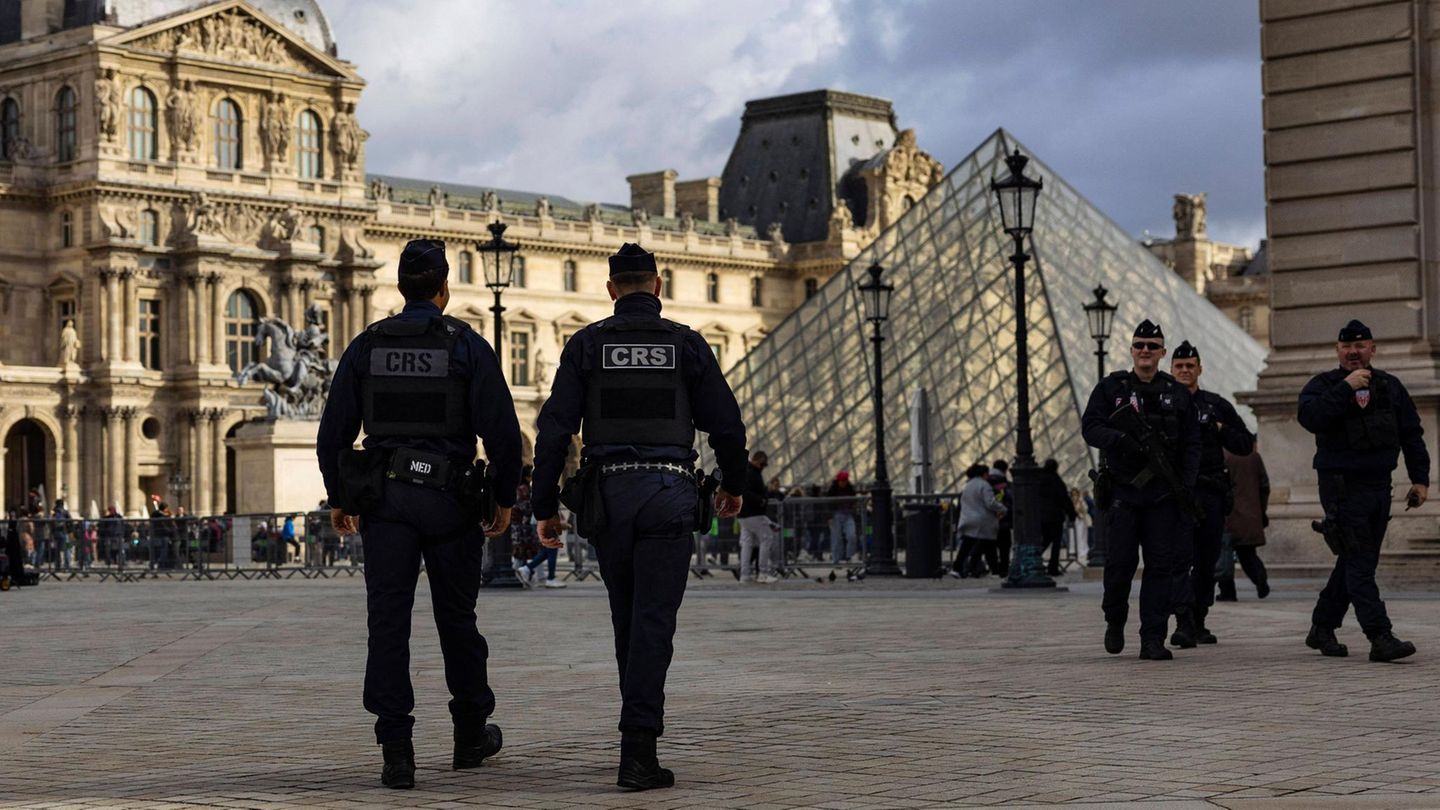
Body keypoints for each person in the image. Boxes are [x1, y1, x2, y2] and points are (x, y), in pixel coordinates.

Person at [532, 242, 746, 791]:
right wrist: (733, 484)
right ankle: (638, 749)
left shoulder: (586, 344)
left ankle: (636, 743)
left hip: (609, 495)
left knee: (626, 617)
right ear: (658, 285)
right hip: (671, 491)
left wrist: (543, 505)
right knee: (654, 621)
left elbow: (554, 429)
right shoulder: (686, 344)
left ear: (610, 290)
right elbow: (726, 423)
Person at [317, 238, 523, 788]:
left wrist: (340, 497)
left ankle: (396, 748)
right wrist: (504, 497)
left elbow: (332, 431)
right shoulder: (466, 344)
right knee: (457, 620)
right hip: (451, 500)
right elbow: (504, 433)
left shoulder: (366, 346)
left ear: (400, 288)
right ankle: (471, 732)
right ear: (444, 288)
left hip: (386, 500)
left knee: (388, 622)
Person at [1297, 319, 1424, 662]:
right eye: (1347, 347)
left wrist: (1420, 480)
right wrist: (1346, 388)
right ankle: (1380, 636)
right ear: (1338, 351)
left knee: (1356, 561)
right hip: (1341, 488)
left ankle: (1322, 626)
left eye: (1361, 346)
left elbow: (1411, 434)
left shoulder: (1390, 386)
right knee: (1359, 562)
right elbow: (1310, 418)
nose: (1354, 352)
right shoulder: (1322, 386)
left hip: (1380, 487)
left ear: (1373, 349)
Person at [1082, 319, 1200, 661]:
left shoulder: (1176, 393)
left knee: (1160, 567)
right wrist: (1120, 440)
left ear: (1163, 352)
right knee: (1119, 565)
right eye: (1139, 345)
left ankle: (1152, 637)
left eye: (1152, 346)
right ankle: (1115, 618)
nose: (1145, 351)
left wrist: (1186, 485)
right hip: (1123, 493)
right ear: (1131, 350)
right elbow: (1090, 427)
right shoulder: (1111, 388)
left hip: (1163, 495)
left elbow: (1192, 443)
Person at [1167, 340, 1254, 646]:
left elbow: (1245, 443)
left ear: (1200, 369)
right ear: (1171, 369)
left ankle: (1199, 618)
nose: (1185, 370)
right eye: (1179, 366)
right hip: (1177, 494)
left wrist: (1220, 429)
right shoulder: (1162, 405)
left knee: (1206, 561)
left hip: (1211, 492)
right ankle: (1183, 621)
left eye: (1190, 365)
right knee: (1179, 559)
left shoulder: (1217, 405)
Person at [1217, 444, 1270, 601]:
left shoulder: (1222, 455)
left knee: (1223, 553)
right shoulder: (1254, 456)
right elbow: (1264, 486)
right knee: (1247, 553)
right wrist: (1261, 510)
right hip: (1251, 513)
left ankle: (1228, 592)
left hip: (1228, 513)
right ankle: (1260, 579)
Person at [952, 463, 1006, 578]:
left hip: (968, 519)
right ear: (984, 474)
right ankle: (995, 571)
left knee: (966, 546)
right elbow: (990, 503)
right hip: (983, 520)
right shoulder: (984, 485)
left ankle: (956, 568)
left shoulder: (968, 485)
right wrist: (1002, 508)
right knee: (990, 545)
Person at [738, 451, 778, 583]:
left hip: (743, 514)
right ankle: (763, 573)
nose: (763, 467)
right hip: (754, 513)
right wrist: (761, 500)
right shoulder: (753, 473)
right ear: (757, 460)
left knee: (747, 544)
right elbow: (749, 493)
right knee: (767, 539)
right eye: (763, 463)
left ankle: (744, 575)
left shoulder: (744, 471)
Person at [1039, 459, 1078, 576]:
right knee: (1056, 543)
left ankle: (1035, 558)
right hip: (1055, 517)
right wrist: (1072, 514)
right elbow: (1064, 499)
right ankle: (1053, 567)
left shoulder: (1037, 480)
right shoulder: (1057, 481)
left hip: (1041, 517)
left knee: (1044, 540)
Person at [826, 471, 859, 563]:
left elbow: (854, 501)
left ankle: (849, 556)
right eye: (841, 480)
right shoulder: (832, 490)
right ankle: (836, 559)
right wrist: (829, 517)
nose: (843, 482)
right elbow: (828, 504)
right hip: (836, 516)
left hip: (848, 515)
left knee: (852, 535)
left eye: (845, 480)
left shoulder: (850, 489)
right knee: (837, 538)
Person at [990, 460, 1012, 576]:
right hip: (1003, 519)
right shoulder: (1006, 484)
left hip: (989, 519)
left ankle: (994, 568)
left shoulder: (985, 481)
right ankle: (1004, 568)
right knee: (1004, 546)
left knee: (990, 546)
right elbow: (1010, 500)